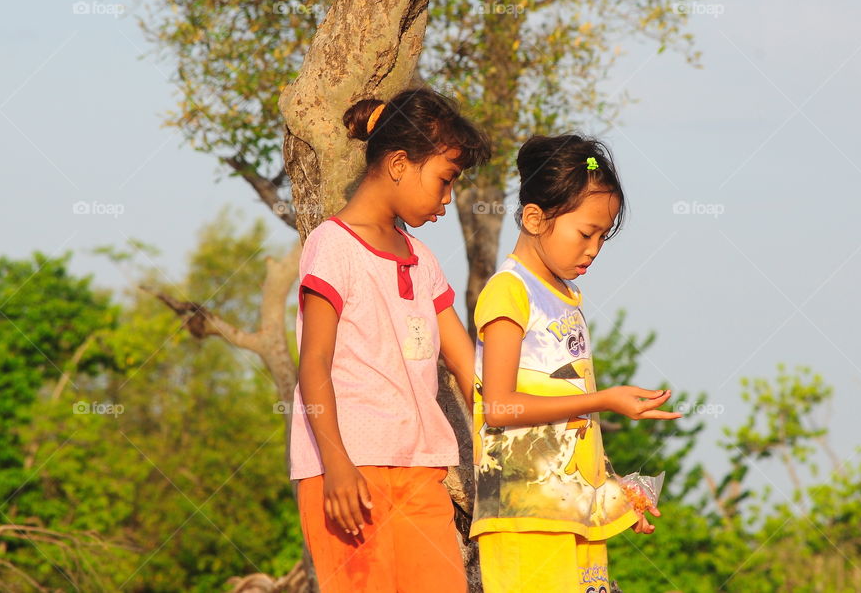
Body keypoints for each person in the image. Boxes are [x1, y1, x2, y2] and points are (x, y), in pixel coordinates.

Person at [291, 88, 491, 592]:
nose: (448, 200)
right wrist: (335, 463)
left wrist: (518, 450)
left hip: (422, 475)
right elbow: (313, 363)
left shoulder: (424, 261)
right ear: (400, 163)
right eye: (445, 181)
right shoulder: (332, 246)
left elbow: (470, 372)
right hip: (347, 477)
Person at [470, 134, 682, 593]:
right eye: (586, 233)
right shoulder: (510, 291)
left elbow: (571, 423)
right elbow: (501, 407)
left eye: (602, 237)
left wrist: (615, 491)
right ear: (534, 217)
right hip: (524, 518)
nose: (594, 248)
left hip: (570, 516)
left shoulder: (567, 299)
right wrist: (604, 399)